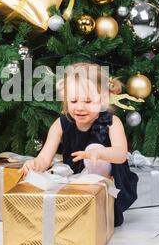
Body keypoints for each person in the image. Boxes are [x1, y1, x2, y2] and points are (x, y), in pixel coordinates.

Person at [20, 62, 138, 226]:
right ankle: (77, 206)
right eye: (74, 101)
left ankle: (97, 202)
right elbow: (45, 158)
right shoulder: (60, 124)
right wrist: (34, 164)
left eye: (88, 101)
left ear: (103, 100)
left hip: (108, 178)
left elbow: (120, 154)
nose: (80, 108)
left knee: (94, 149)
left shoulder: (112, 122)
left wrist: (99, 154)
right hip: (75, 177)